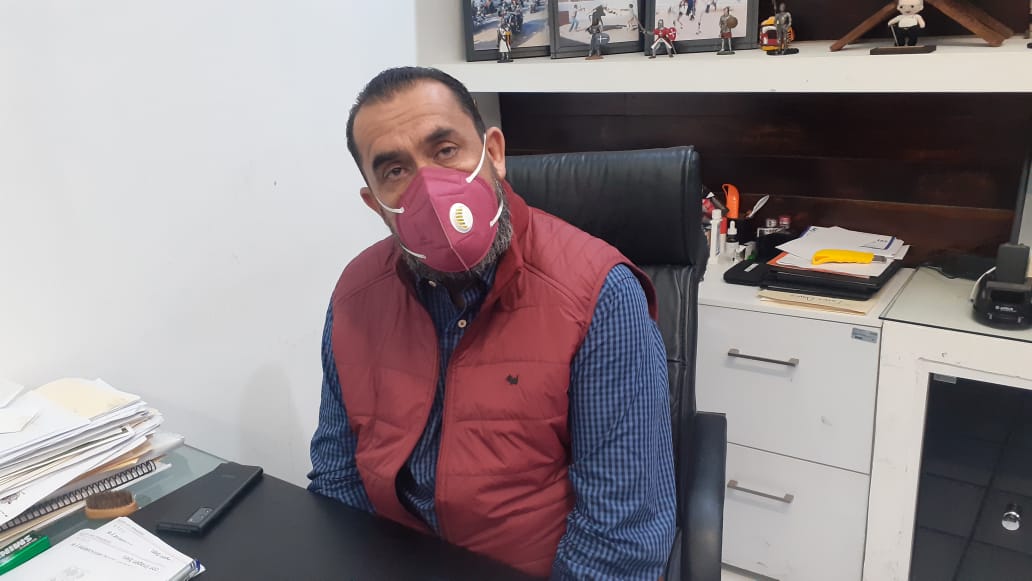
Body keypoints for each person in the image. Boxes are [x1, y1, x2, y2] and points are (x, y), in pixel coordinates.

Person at [307, 67, 677, 579]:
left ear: (494, 153)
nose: (429, 188)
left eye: (445, 150)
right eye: (394, 170)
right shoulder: (356, 294)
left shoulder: (599, 297)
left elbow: (620, 539)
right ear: (376, 204)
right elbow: (337, 478)